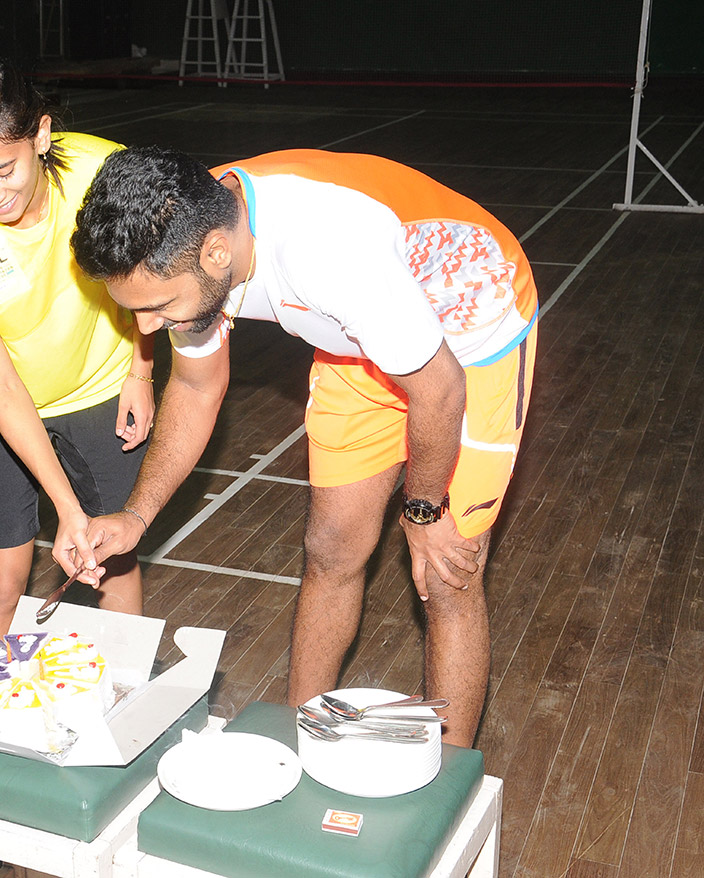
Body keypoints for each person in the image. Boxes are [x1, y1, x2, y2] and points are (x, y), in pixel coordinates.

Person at [69, 146, 538, 746]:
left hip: (472, 338)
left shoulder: (324, 248)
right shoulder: (187, 230)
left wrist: (424, 509)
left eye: (157, 307)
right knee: (332, 548)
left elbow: (441, 390)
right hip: (362, 343)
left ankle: (448, 776)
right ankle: (300, 741)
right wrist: (135, 516)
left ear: (217, 252)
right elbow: (194, 386)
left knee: (448, 573)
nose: (148, 327)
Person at [0, 52, 153, 640]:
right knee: (2, 586)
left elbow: (150, 284)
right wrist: (66, 509)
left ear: (40, 135)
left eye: (4, 170)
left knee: (112, 558)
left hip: (100, 385)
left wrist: (140, 372)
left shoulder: (104, 174)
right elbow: (1, 386)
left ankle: (127, 687)